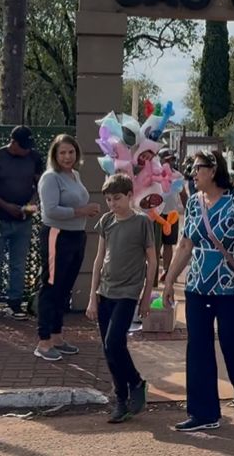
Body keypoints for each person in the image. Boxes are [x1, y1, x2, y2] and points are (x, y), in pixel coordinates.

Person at [162, 150, 234, 432]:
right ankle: (204, 412)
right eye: (191, 169)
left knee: (232, 344)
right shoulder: (195, 203)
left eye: (197, 168)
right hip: (198, 286)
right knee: (198, 347)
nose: (192, 173)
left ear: (213, 169)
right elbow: (185, 245)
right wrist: (170, 280)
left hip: (230, 287)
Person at [86, 174, 157, 423]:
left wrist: (146, 296)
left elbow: (152, 260)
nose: (112, 203)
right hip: (105, 292)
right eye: (108, 199)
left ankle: (136, 382)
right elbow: (98, 259)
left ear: (129, 196)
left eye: (117, 198)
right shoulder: (106, 221)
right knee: (109, 349)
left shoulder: (142, 222)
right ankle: (121, 398)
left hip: (128, 293)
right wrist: (92, 298)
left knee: (115, 342)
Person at [34, 134, 99, 361]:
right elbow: (50, 210)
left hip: (76, 235)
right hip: (56, 235)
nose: (67, 157)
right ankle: (43, 341)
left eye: (71, 152)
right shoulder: (50, 178)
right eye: (62, 152)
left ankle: (57, 336)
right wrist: (82, 211)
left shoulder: (75, 175)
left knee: (64, 288)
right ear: (55, 155)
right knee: (51, 286)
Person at [0, 126, 44, 320]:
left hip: (24, 219)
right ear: (13, 142)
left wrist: (31, 203)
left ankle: (15, 303)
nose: (26, 150)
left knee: (18, 264)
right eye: (23, 146)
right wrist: (6, 206)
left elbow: (40, 185)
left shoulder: (34, 157)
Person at [155, 148, 184, 282]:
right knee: (155, 244)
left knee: (168, 244)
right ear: (160, 160)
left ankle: (166, 270)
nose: (169, 162)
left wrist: (190, 210)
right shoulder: (154, 175)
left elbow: (183, 195)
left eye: (171, 159)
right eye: (166, 160)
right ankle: (152, 272)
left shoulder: (177, 176)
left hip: (172, 215)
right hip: (156, 214)